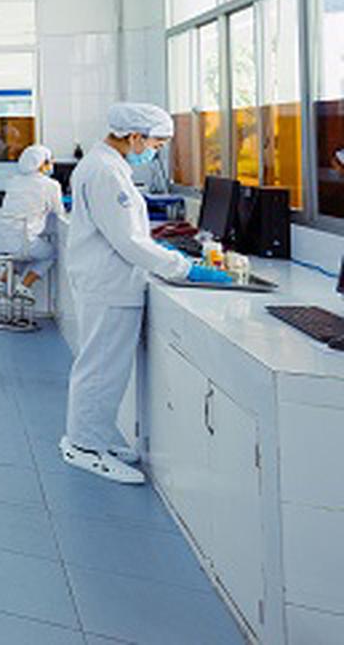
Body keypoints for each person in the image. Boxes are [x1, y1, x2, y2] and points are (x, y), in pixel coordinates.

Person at [62, 103, 230, 484]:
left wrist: (160, 251)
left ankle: (93, 437)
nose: (155, 151)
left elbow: (128, 234)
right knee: (101, 369)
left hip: (108, 281)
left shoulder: (106, 166)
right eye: (156, 143)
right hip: (108, 284)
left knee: (104, 369)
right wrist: (183, 267)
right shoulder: (106, 172)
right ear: (134, 136)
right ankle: (84, 446)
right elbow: (129, 242)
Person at [1, 144, 65, 293]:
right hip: (25, 241)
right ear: (42, 164)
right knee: (50, 254)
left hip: (3, 240)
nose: (51, 165)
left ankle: (1, 283)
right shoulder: (50, 185)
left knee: (19, 255)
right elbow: (59, 212)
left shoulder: (13, 181)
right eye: (50, 162)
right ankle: (24, 286)